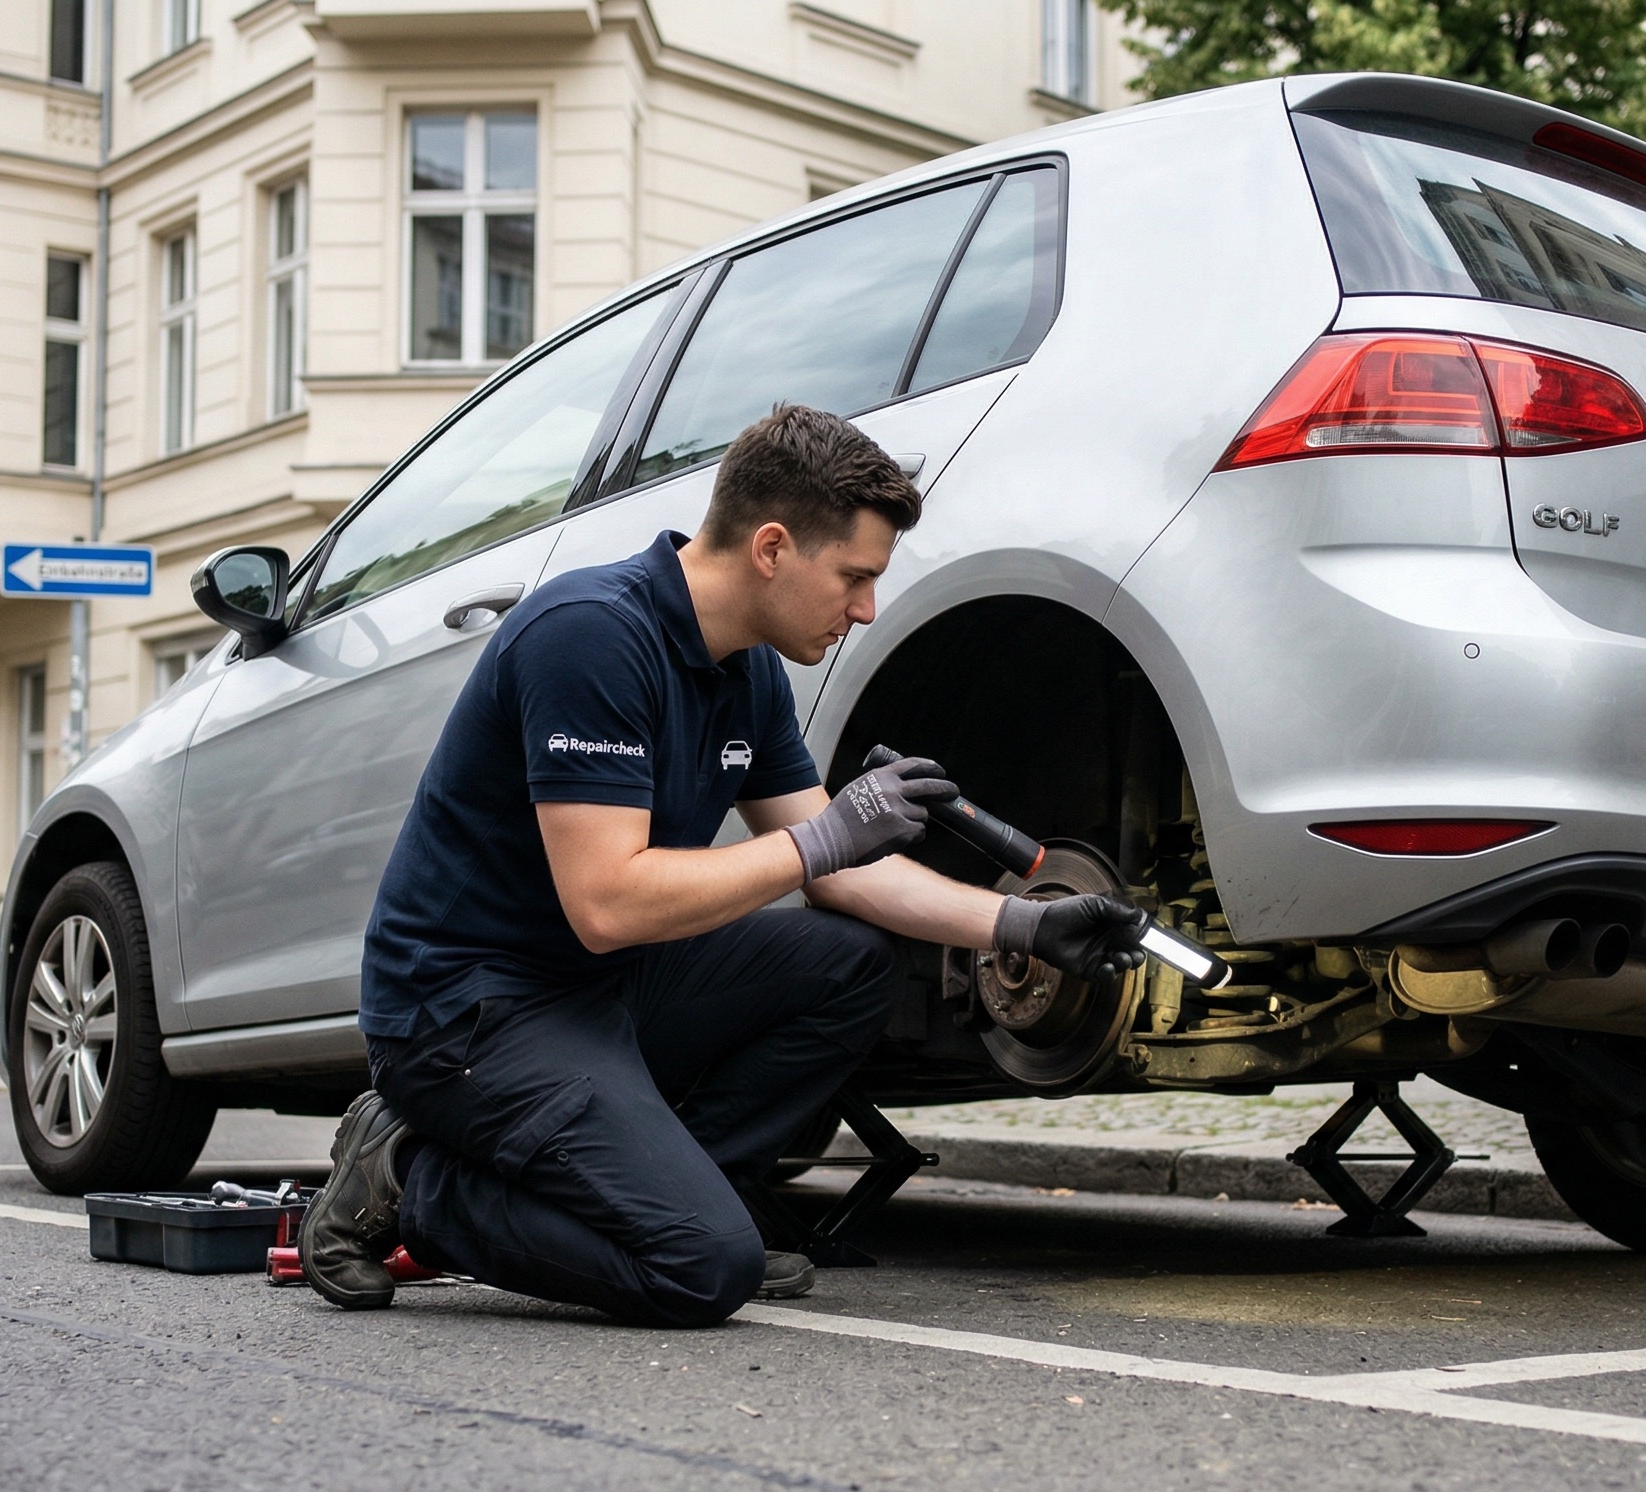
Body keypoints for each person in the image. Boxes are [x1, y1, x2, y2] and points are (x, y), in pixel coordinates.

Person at [301, 403, 1147, 1327]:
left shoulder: (745, 669)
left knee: (849, 960)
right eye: (855, 577)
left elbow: (840, 871)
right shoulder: (590, 635)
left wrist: (1023, 922)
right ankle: (407, 1173)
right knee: (700, 1269)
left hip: (598, 993)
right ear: (773, 548)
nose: (865, 609)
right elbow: (609, 903)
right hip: (467, 1013)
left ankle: (677, 1190)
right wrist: (823, 838)